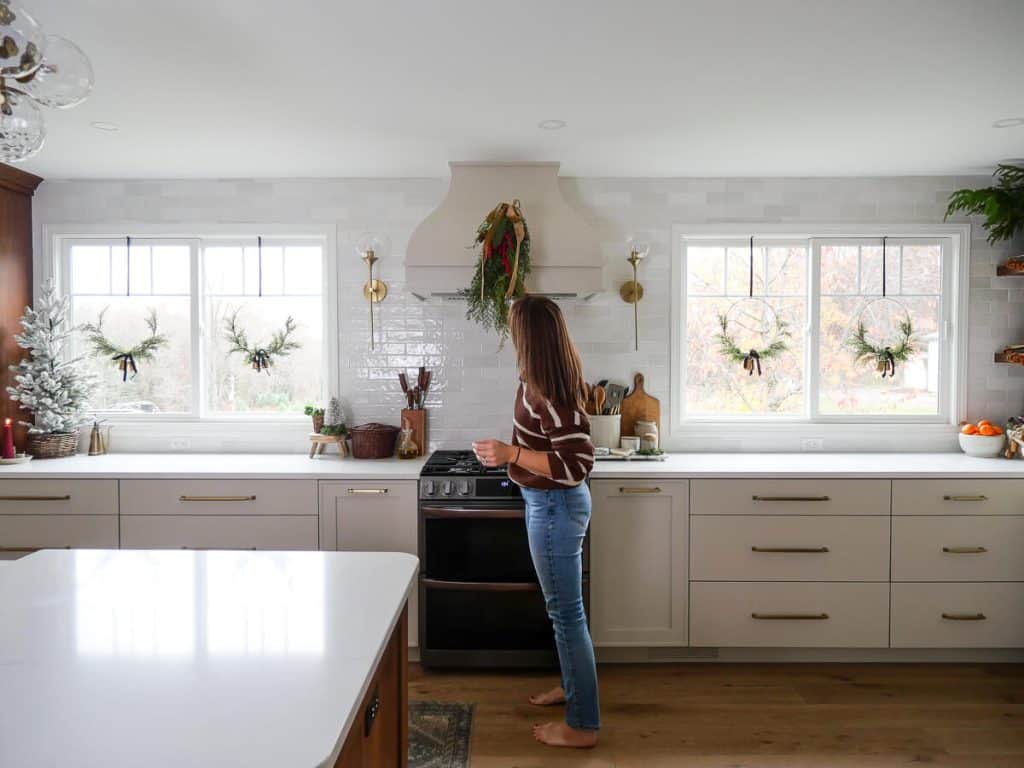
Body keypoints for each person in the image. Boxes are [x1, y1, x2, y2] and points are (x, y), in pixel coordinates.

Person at [472, 295, 599, 749]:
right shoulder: (543, 379)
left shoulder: (544, 389)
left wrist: (511, 454)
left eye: (513, 328)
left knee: (566, 615)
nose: (510, 335)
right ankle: (572, 687)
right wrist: (511, 456)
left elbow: (577, 463)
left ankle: (582, 725)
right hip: (548, 503)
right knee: (564, 612)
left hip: (555, 507)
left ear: (528, 337)